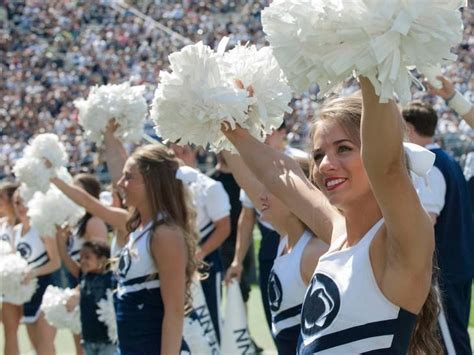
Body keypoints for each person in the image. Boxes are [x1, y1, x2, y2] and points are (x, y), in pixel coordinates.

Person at [223, 77, 441, 354]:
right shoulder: (337, 233)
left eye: (344, 149)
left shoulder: (396, 242)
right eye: (317, 155)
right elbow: (282, 174)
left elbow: (386, 166)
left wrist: (371, 69)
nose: (325, 165)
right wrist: (229, 125)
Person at [55, 144, 197, 354]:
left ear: (152, 183)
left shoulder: (165, 234)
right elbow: (91, 204)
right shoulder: (136, 225)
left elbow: (175, 311)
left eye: (128, 177)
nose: (120, 183)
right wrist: (52, 177)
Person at [403, 100, 474, 354]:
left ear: (409, 128)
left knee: (450, 339)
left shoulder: (428, 165)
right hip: (459, 263)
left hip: (443, 269)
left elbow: (426, 221)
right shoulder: (448, 160)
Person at [225, 124, 309, 334]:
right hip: (273, 243)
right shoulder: (285, 236)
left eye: (271, 186)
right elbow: (246, 187)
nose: (260, 194)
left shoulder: (315, 250)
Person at [170, 143, 231, 343]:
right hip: (175, 261)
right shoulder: (166, 189)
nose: (178, 157)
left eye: (184, 151)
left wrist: (200, 254)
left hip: (204, 264)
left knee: (209, 322)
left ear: (195, 151)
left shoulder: (209, 186)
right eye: (173, 153)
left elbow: (224, 228)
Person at [59, 173, 108, 355]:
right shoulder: (76, 222)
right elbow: (68, 261)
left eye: (76, 190)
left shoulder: (94, 222)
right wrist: (59, 236)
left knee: (93, 345)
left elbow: (99, 265)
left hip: (91, 289)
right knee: (79, 344)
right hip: (78, 283)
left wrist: (79, 290)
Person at [9, 189, 60, 355]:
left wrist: (33, 272)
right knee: (36, 349)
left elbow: (55, 263)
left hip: (47, 293)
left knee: (45, 348)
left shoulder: (41, 227)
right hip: (27, 295)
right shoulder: (15, 231)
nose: (21, 206)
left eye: (25, 201)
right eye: (17, 202)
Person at [62, 240, 116, 355]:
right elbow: (65, 258)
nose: (82, 261)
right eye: (81, 257)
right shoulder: (84, 276)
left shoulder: (110, 278)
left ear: (102, 259)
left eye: (87, 257)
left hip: (108, 342)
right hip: (88, 340)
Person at [0, 181, 20, 355]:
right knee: (9, 332)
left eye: (1, 197)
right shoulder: (1, 225)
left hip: (30, 284)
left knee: (39, 337)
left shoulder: (29, 225)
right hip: (6, 287)